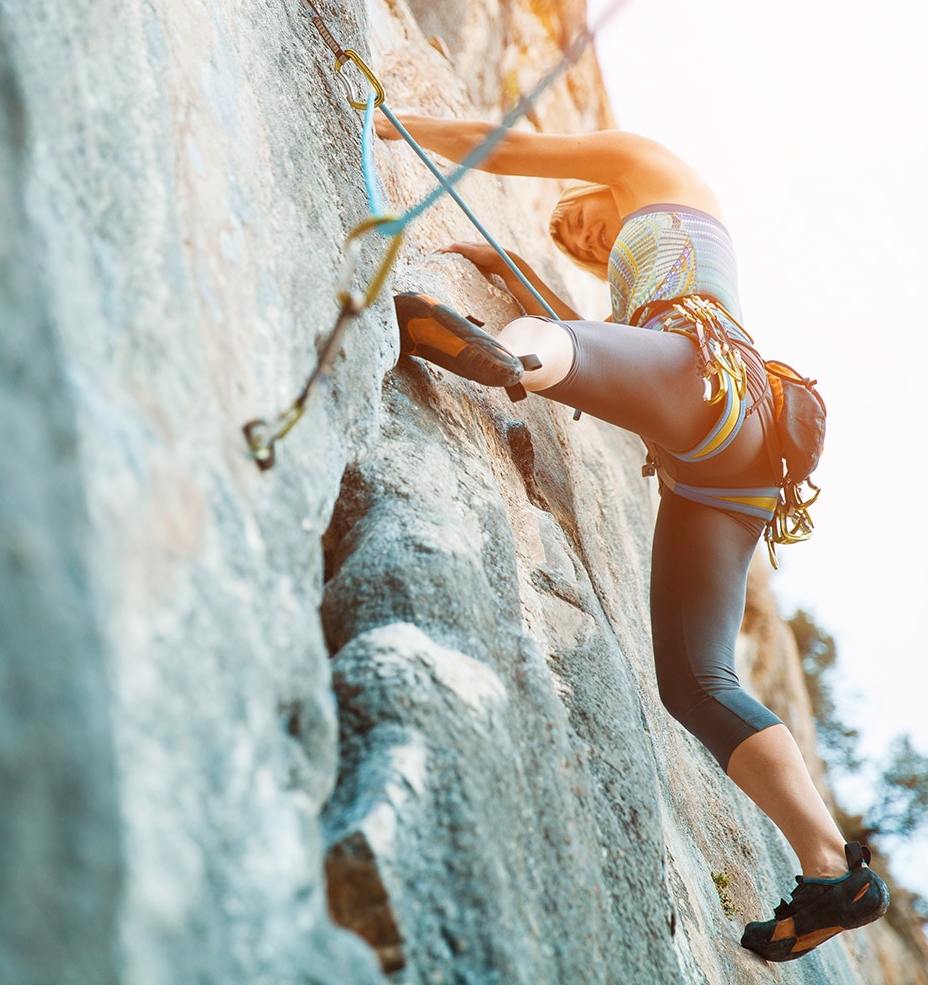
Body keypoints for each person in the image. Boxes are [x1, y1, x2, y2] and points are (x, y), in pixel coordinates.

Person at [377, 111, 888, 963]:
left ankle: (510, 361)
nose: (570, 227)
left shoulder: (655, 167)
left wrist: (405, 126)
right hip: (730, 471)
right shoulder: (663, 272)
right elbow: (627, 366)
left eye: (573, 214)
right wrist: (515, 273)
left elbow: (512, 144)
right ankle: (832, 868)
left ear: (604, 187)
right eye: (569, 236)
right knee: (695, 684)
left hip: (710, 381)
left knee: (553, 348)